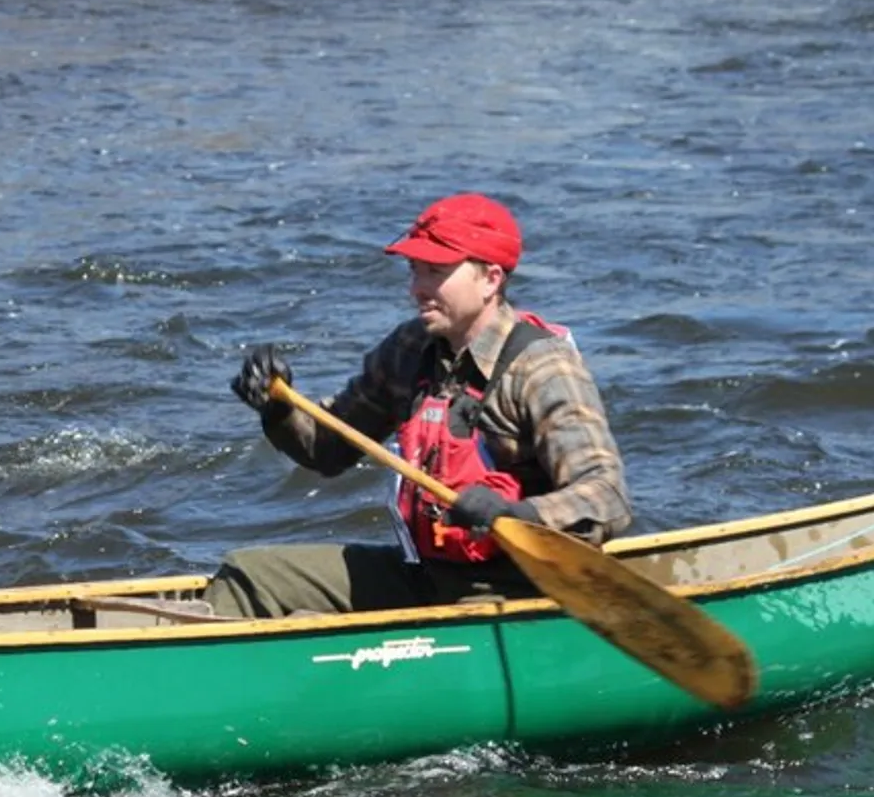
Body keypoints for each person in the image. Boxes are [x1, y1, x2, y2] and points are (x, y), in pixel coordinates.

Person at [202, 192, 632, 619]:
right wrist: (277, 407)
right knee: (248, 575)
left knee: (311, 625)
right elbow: (327, 450)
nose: (417, 289)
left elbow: (606, 496)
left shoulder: (543, 368)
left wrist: (517, 514)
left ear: (491, 279)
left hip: (516, 590)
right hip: (428, 576)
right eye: (414, 270)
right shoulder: (410, 348)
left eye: (436, 272)